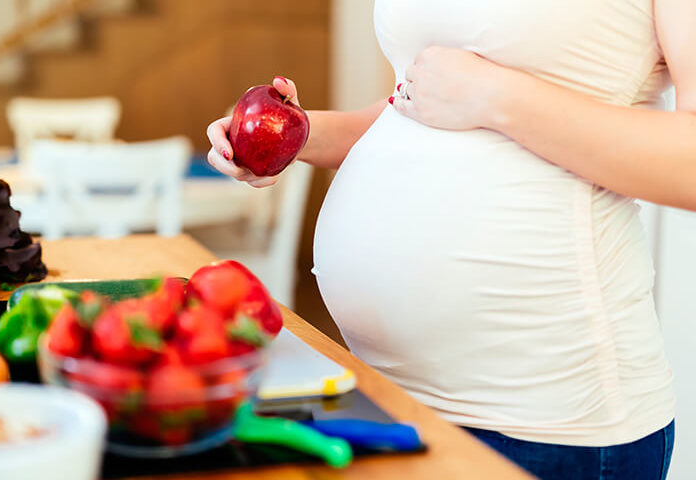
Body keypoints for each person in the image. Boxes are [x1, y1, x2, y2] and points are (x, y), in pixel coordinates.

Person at [206, 1, 695, 478]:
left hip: (544, 427)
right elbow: (420, 104)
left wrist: (498, 97)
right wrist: (299, 134)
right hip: (385, 394)